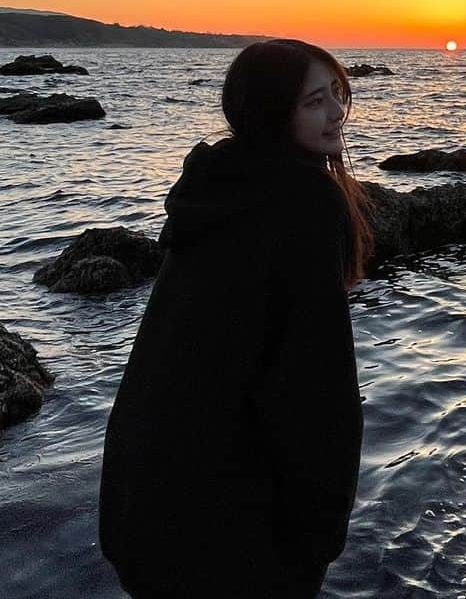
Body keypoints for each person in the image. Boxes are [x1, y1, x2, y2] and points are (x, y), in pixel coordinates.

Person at [99, 39, 373, 598]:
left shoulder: (215, 189)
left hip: (144, 498)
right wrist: (320, 531)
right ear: (274, 113)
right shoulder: (302, 202)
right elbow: (315, 388)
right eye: (314, 101)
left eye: (337, 95)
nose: (337, 113)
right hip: (229, 527)